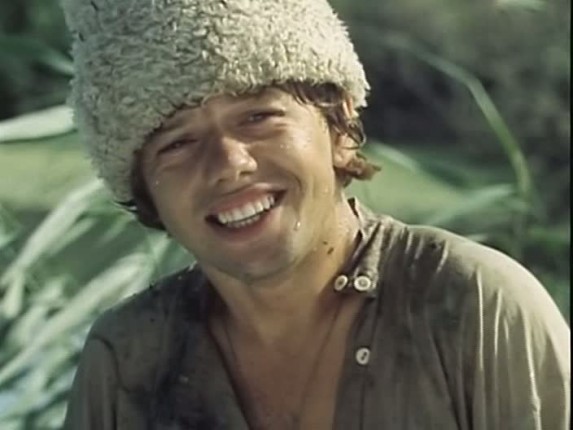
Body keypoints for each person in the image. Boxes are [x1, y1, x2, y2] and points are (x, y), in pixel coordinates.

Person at [60, 0, 570, 428]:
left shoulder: (476, 307)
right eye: (177, 143)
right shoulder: (128, 361)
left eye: (258, 116)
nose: (229, 164)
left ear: (339, 124)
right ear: (144, 189)